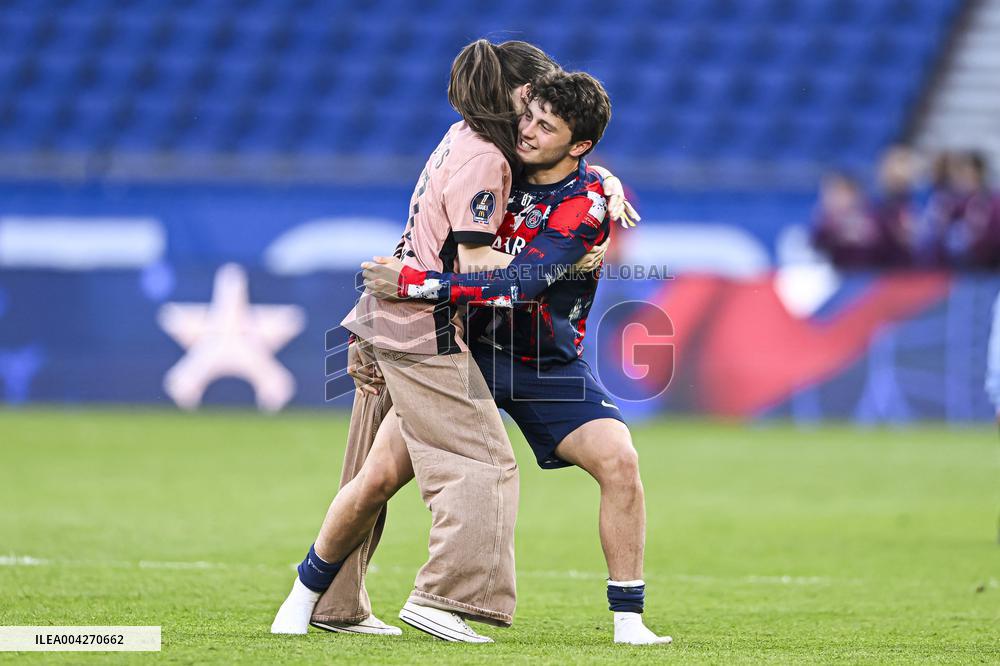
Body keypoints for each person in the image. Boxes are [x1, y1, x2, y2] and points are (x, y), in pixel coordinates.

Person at [356, 71, 671, 645]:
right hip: (463, 354)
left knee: (620, 463)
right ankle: (312, 596)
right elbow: (431, 225)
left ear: (579, 146)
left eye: (545, 127)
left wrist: (415, 285)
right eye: (529, 117)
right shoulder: (495, 162)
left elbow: (520, 285)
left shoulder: (587, 199)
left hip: (543, 361)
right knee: (376, 478)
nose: (526, 132)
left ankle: (629, 620)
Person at [270, 39, 561, 643]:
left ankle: (320, 602)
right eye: (537, 94)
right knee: (482, 461)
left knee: (371, 477)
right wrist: (545, 261)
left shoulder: (459, 137)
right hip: (420, 328)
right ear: (517, 92)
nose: (541, 108)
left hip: (380, 318)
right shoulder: (488, 159)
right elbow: (479, 265)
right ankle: (444, 597)